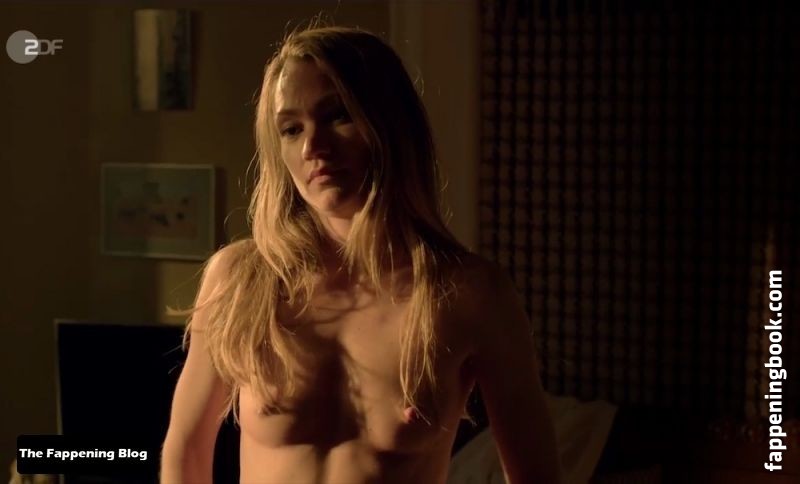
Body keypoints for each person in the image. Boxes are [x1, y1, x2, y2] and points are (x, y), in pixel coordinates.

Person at [160, 24, 562, 484]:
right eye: (291, 129)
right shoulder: (242, 279)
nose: (313, 147)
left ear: (389, 124)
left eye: (337, 116)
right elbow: (186, 451)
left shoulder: (469, 293)